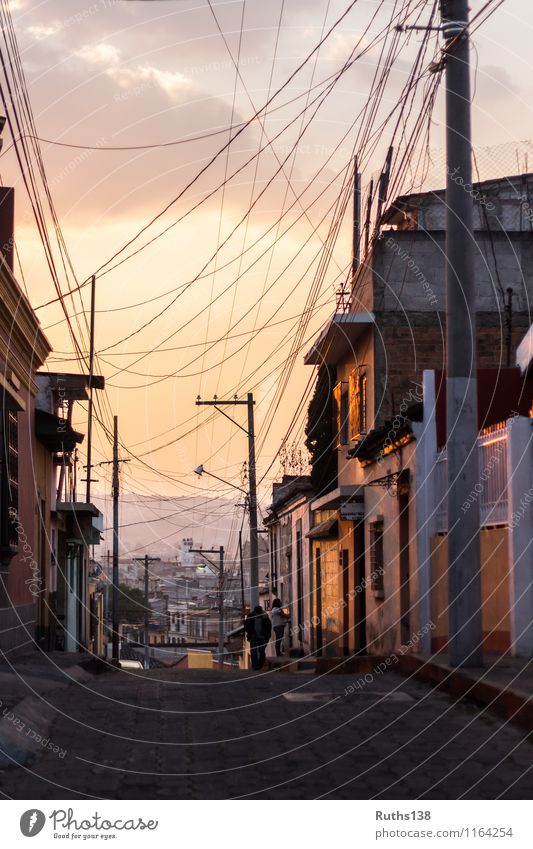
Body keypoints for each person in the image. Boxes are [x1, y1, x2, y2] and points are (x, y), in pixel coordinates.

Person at [244, 605, 272, 670]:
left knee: (261, 651)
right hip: (254, 636)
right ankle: (255, 666)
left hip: (262, 636)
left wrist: (267, 635)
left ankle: (259, 665)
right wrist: (250, 632)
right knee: (254, 651)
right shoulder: (251, 616)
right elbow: (246, 625)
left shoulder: (264, 616)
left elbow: (268, 626)